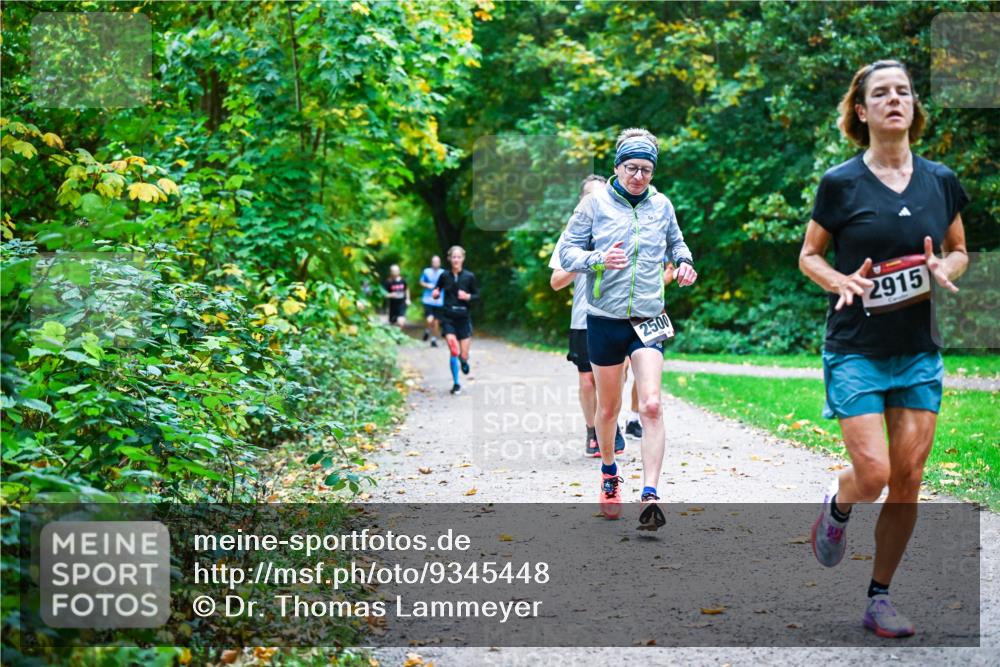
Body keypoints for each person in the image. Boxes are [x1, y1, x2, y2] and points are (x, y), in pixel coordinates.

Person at [799, 60, 969, 638]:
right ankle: (841, 501)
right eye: (881, 93)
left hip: (918, 348)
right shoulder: (841, 183)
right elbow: (810, 255)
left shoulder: (940, 180)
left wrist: (944, 266)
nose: (894, 99)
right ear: (862, 111)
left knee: (909, 477)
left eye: (903, 91)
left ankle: (880, 597)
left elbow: (959, 248)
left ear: (913, 106)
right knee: (873, 474)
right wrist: (839, 280)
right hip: (856, 349)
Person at [560, 128, 698, 530]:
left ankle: (650, 495)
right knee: (608, 409)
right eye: (631, 168)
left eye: (646, 169)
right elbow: (566, 252)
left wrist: (685, 263)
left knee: (651, 404)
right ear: (617, 167)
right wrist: (598, 259)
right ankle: (608, 471)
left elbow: (679, 245)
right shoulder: (593, 204)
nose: (638, 176)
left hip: (649, 318)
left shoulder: (662, 205)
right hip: (603, 318)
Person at [549, 175, 626, 457]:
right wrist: (586, 259)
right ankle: (592, 430)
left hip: (617, 316)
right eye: (590, 197)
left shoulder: (619, 228)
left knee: (617, 377)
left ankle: (611, 422)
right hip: (583, 319)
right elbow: (556, 282)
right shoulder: (572, 237)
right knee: (587, 381)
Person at [432, 246, 479, 395]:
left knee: (463, 354)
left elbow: (477, 296)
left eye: (459, 257)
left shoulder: (469, 276)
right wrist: (435, 293)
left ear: (463, 259)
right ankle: (456, 383)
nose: (456, 260)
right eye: (454, 257)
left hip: (463, 318)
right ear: (449, 259)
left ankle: (463, 360)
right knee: (453, 350)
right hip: (448, 317)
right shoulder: (444, 276)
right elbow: (437, 289)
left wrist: (468, 296)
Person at [419, 255, 445, 348]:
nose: (435, 263)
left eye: (437, 262)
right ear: (431, 262)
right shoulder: (426, 271)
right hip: (428, 299)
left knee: (436, 321)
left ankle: (433, 339)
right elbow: (421, 282)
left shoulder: (443, 273)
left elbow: (447, 284)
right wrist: (427, 285)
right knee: (430, 319)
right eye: (434, 262)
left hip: (439, 300)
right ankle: (428, 330)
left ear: (440, 263)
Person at [382, 264, 409, 330]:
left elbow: (407, 289)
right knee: (393, 323)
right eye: (393, 271)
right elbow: (383, 294)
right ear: (391, 272)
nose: (395, 272)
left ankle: (400, 336)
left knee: (401, 321)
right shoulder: (388, 282)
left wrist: (408, 299)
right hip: (393, 305)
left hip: (402, 303)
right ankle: (396, 336)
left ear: (399, 271)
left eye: (396, 271)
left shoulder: (403, 280)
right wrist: (391, 295)